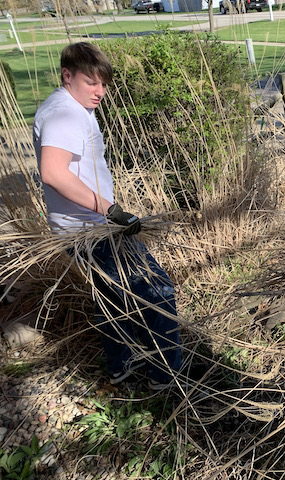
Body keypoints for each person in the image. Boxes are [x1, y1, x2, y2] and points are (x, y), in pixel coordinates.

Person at [32, 42, 182, 391]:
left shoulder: (73, 107)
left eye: (103, 83)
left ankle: (121, 365)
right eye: (91, 82)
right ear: (67, 75)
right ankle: (166, 375)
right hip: (90, 230)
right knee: (157, 290)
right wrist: (110, 211)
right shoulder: (64, 114)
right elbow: (53, 172)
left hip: (83, 228)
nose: (100, 91)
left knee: (112, 297)